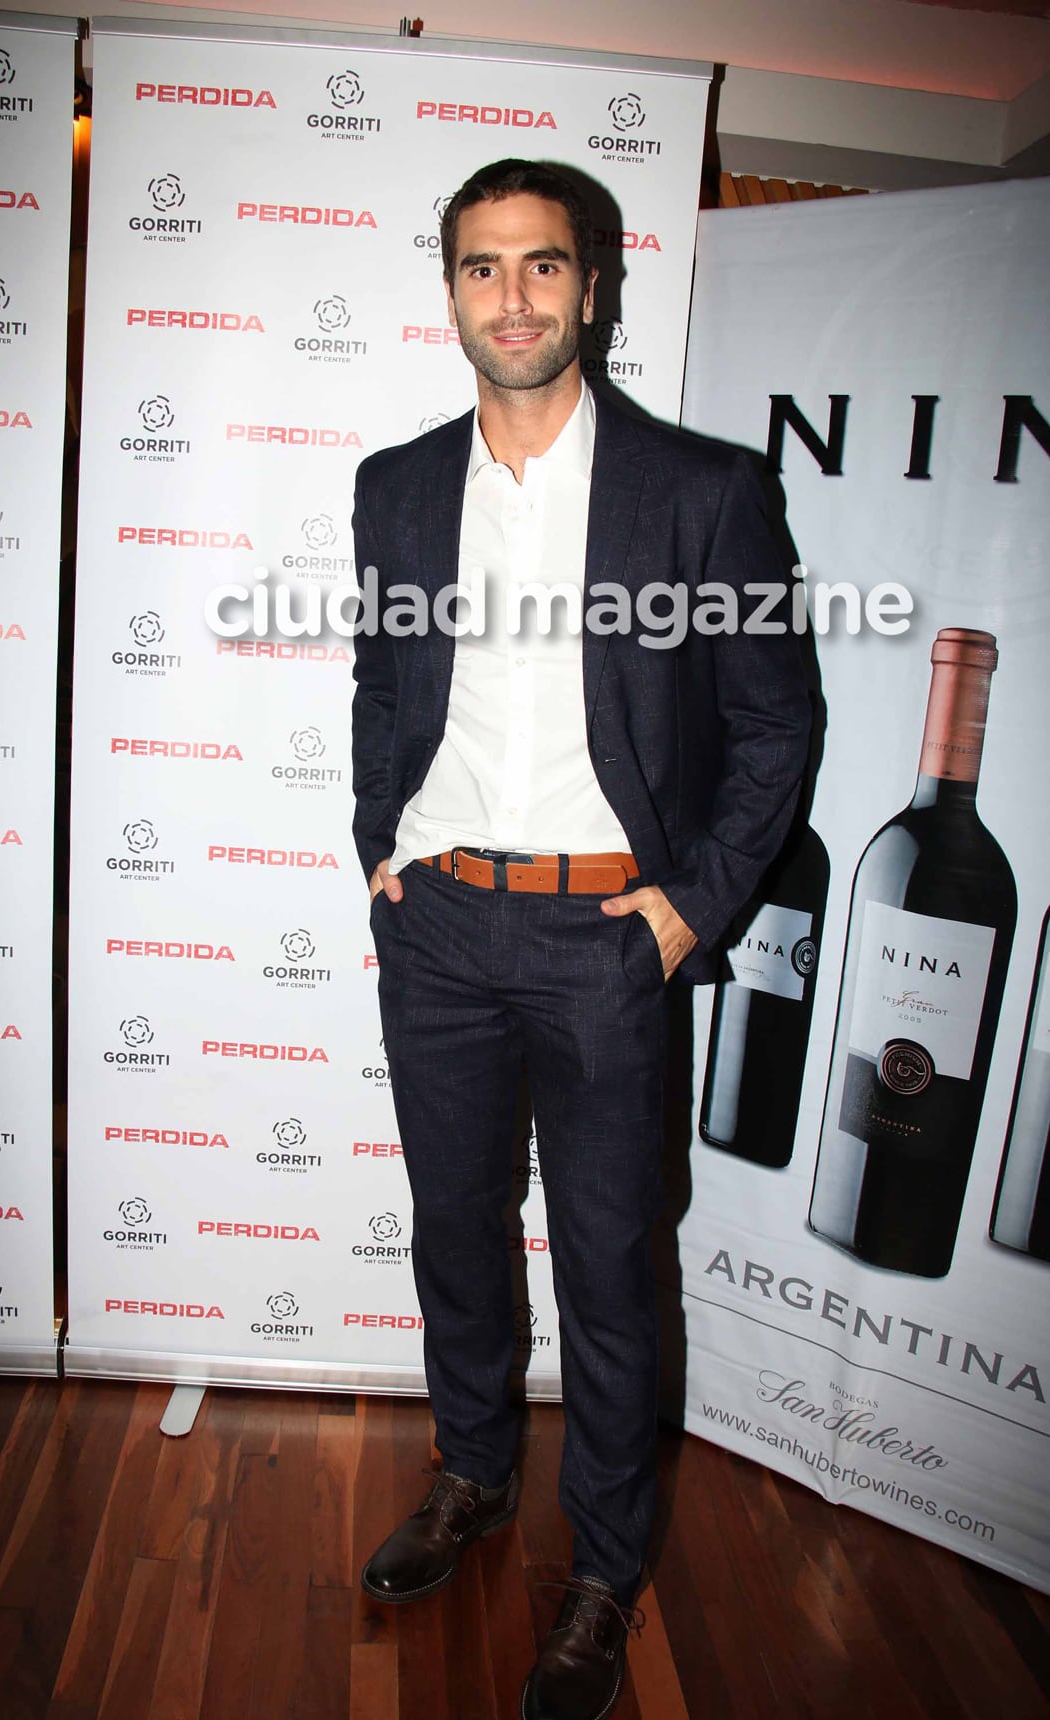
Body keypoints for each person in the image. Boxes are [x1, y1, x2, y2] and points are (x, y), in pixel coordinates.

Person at [350, 157, 810, 1720]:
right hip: (442, 931)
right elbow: (382, 689)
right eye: (483, 269)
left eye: (543, 267)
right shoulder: (397, 487)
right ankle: (473, 1475)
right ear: (452, 289)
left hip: (612, 938)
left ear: (592, 285)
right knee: (456, 1233)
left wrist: (691, 907)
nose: (514, 298)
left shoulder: (704, 493)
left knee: (615, 1267)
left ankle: (606, 1569)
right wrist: (380, 854)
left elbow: (776, 729)